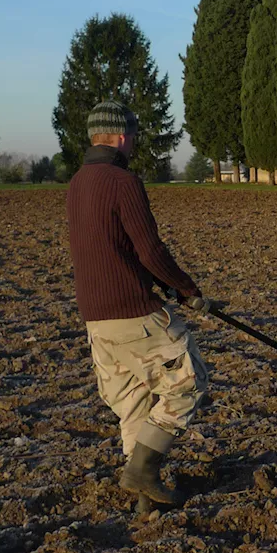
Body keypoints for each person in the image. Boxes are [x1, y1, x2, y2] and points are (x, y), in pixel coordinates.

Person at [66, 100, 209, 505]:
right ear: (123, 136)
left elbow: (111, 248)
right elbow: (149, 249)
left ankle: (145, 497)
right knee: (188, 382)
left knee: (135, 402)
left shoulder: (78, 181)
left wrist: (159, 283)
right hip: (133, 313)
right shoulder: (122, 182)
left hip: (97, 319)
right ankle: (142, 470)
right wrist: (187, 289)